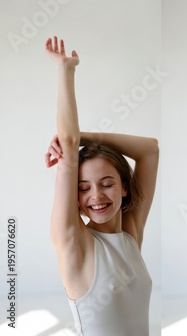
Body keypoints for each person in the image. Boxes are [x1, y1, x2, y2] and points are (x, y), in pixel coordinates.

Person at [44, 36, 159, 335]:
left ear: (124, 186)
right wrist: (66, 71)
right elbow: (67, 144)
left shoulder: (131, 235)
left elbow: (150, 150)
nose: (95, 196)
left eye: (106, 184)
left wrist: (86, 137)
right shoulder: (74, 242)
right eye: (83, 188)